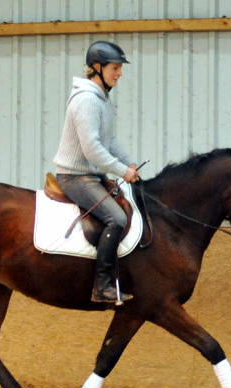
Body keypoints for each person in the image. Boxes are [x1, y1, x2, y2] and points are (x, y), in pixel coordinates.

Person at [53, 41, 139, 304]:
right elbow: (92, 150)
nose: (119, 74)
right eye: (115, 68)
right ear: (97, 68)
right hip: (74, 177)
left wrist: (131, 164)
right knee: (117, 219)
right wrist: (122, 170)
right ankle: (102, 286)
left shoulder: (102, 99)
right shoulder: (87, 101)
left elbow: (109, 142)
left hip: (91, 175)